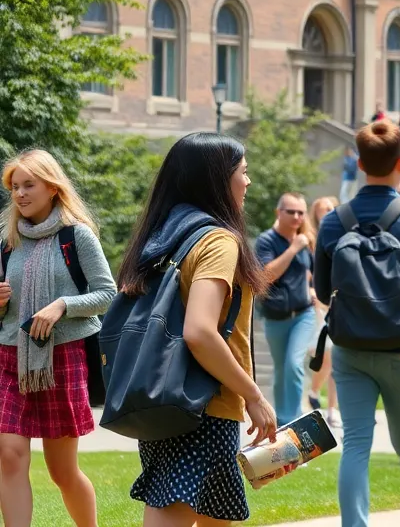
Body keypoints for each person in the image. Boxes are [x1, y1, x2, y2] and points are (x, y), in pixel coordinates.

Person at [114, 133, 276, 526]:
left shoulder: (163, 237)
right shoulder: (218, 241)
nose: (248, 181)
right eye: (243, 171)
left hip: (162, 399)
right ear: (217, 179)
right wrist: (252, 395)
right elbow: (200, 331)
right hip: (204, 408)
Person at [315, 120, 400, 527]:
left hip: (351, 350)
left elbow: (324, 293)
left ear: (359, 163)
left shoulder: (333, 221)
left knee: (356, 444)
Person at [0, 150, 115, 527]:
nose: (19, 194)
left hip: (63, 359)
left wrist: (62, 305)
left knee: (61, 472)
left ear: (52, 187)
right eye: (14, 187)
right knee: (10, 454)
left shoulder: (76, 235)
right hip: (9, 356)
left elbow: (106, 293)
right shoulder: (7, 241)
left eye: (28, 185)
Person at [256, 192, 318, 426]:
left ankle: (292, 421)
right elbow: (266, 276)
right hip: (275, 318)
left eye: (300, 212)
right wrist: (293, 249)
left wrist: (311, 288)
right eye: (290, 211)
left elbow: (312, 274)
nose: (296, 216)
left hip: (303, 315)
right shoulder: (266, 241)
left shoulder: (307, 242)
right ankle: (282, 421)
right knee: (282, 370)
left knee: (293, 365)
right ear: (278, 213)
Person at [307, 196, 341, 428]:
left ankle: (332, 409)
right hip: (317, 305)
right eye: (322, 210)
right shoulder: (310, 241)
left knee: (336, 359)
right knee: (327, 355)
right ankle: (314, 390)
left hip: (336, 302)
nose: (326, 213)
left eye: (330, 209)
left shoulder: (341, 238)